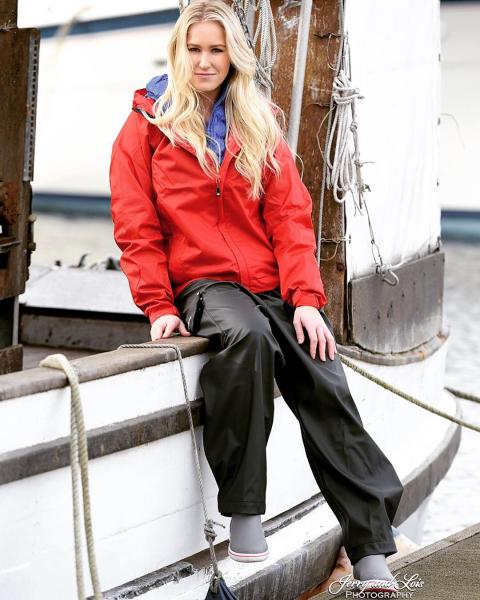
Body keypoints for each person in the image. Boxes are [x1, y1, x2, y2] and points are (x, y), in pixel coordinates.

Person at [109, 0, 404, 592]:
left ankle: (370, 544)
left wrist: (303, 298)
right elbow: (135, 224)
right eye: (194, 49)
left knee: (321, 368)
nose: (204, 61)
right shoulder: (148, 122)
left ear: (233, 55)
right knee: (246, 339)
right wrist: (159, 306)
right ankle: (245, 508)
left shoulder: (259, 120)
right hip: (204, 284)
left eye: (216, 49)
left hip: (271, 282)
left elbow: (290, 219)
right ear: (178, 50)